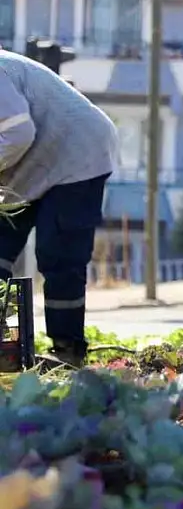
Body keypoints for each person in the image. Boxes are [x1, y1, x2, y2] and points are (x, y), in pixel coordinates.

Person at [0, 48, 118, 367]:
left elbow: (18, 131)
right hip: (28, 168)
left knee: (59, 253)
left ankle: (67, 351)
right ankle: (5, 346)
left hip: (76, 153)